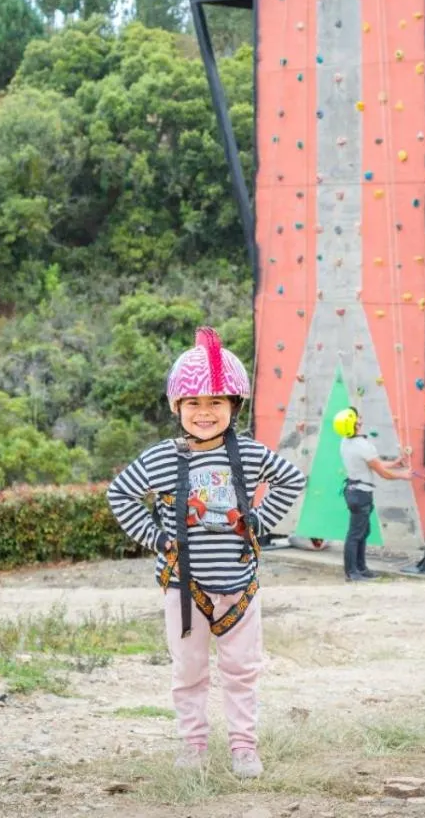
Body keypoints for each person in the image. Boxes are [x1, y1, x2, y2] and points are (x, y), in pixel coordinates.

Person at [107, 327, 305, 778]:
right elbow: (120, 494)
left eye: (216, 402)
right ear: (177, 407)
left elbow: (292, 479)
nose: (204, 412)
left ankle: (243, 747)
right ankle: (193, 745)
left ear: (234, 407)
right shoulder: (160, 458)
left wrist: (258, 521)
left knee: (242, 670)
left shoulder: (252, 455)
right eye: (193, 403)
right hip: (184, 587)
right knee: (189, 671)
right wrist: (155, 537)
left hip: (240, 585)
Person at [333, 406, 412, 582]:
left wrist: (395, 463)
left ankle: (361, 569)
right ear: (353, 425)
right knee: (355, 533)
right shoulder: (363, 445)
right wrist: (403, 475)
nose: (360, 420)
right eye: (356, 419)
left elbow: (372, 464)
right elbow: (382, 472)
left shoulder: (345, 442)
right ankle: (352, 572)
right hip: (362, 494)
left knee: (362, 531)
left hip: (353, 491)